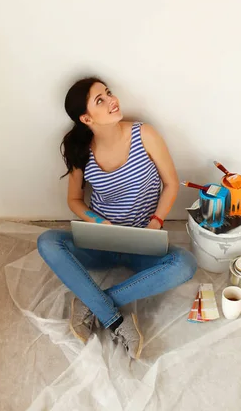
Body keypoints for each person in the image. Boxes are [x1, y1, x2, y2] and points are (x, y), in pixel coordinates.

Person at [37, 77, 197, 359]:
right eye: (100, 100)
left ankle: (93, 304)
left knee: (185, 264)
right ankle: (115, 317)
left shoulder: (144, 134)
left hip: (141, 242)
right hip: (100, 242)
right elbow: (74, 200)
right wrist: (96, 221)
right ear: (86, 118)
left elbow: (171, 183)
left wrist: (156, 223)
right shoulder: (81, 153)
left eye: (108, 93)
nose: (112, 100)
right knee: (48, 241)